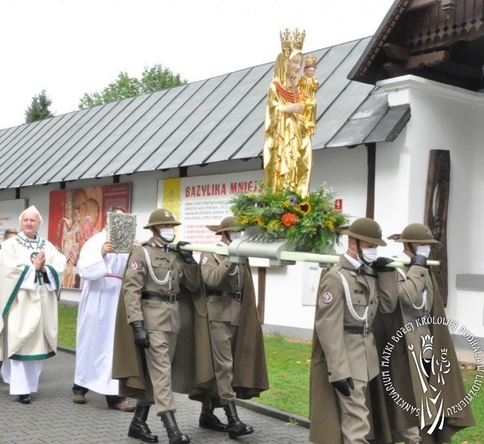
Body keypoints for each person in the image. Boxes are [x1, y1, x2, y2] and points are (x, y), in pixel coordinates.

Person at [112, 208, 214, 444]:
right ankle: (172, 430)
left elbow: (193, 284)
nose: (171, 231)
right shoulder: (141, 253)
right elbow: (131, 290)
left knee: (157, 374)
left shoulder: (176, 255)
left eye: (173, 227)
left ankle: (138, 423)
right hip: (151, 320)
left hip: (173, 320)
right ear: (155, 229)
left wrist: (189, 261)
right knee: (161, 375)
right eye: (167, 227)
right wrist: (137, 324)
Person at [382, 223, 475, 443]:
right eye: (421, 244)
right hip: (404, 347)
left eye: (428, 245)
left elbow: (430, 305)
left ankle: (427, 438)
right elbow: (406, 299)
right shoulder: (396, 269)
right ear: (408, 245)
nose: (426, 249)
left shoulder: (424, 268)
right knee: (409, 399)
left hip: (426, 345)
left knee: (429, 398)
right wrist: (416, 268)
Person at [309, 217, 399, 444]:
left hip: (367, 358)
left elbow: (387, 306)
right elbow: (327, 328)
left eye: (375, 246)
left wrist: (386, 274)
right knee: (357, 423)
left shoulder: (368, 273)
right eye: (370, 246)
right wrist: (338, 370)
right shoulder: (336, 277)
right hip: (348, 359)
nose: (374, 251)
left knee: (360, 419)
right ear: (353, 243)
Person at [196, 216, 269, 439]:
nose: (239, 236)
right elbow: (212, 280)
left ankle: (207, 413)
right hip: (218, 315)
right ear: (225, 234)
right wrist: (231, 258)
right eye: (235, 232)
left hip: (238, 315)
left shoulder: (242, 256)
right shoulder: (211, 253)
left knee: (227, 366)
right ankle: (232, 418)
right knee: (223, 366)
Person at [0, 206, 66, 404]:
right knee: (19, 343)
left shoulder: (47, 245)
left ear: (39, 223)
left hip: (41, 302)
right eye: (26, 220)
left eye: (33, 220)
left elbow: (60, 264)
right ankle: (20, 389)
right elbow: (9, 270)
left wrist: (45, 269)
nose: (29, 223)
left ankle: (31, 386)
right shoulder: (11, 245)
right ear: (20, 223)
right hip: (20, 303)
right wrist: (32, 269)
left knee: (37, 346)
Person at [72, 206, 135, 412]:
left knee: (113, 346)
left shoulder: (128, 242)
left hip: (117, 296)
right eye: (116, 218)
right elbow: (85, 270)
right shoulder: (95, 242)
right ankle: (80, 387)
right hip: (97, 295)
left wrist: (137, 252)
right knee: (91, 342)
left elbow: (134, 270)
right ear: (108, 220)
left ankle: (115, 397)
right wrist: (102, 253)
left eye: (123, 219)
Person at [263, 27, 312, 195]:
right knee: (282, 162)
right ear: (285, 62)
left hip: (296, 136)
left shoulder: (296, 89)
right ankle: (280, 194)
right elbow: (272, 111)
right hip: (282, 136)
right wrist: (286, 109)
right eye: (295, 62)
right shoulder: (274, 87)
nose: (298, 67)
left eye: (300, 63)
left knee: (297, 163)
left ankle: (296, 195)